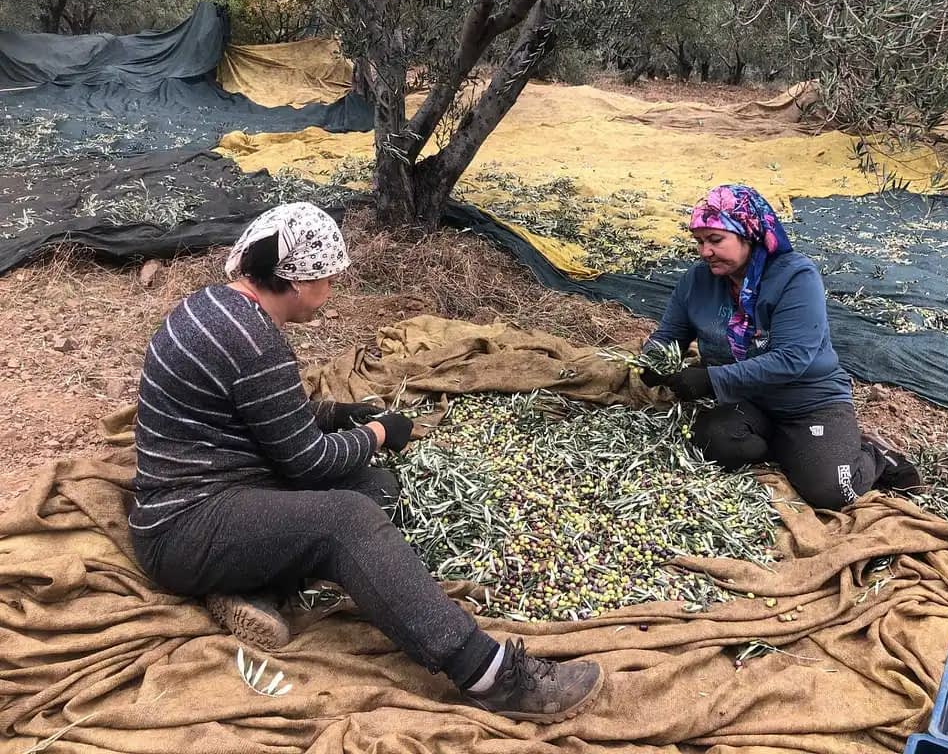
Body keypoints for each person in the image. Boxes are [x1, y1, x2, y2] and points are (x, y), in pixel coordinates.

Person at [128, 201, 604, 723]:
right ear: (294, 278)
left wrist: (337, 413)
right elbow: (307, 462)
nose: (329, 294)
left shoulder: (216, 308)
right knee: (347, 520)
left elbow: (262, 412)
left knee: (374, 489)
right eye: (326, 281)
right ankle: (489, 675)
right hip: (185, 525)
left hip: (225, 492)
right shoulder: (255, 342)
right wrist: (377, 431)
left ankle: (245, 586)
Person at [640, 185, 922, 510]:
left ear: (750, 233)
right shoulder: (697, 281)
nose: (705, 252)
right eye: (700, 242)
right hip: (746, 399)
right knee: (715, 443)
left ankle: (874, 455)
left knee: (832, 492)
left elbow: (792, 359)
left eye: (716, 240)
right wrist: (652, 360)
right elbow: (670, 333)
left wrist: (711, 379)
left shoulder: (795, 277)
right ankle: (801, 449)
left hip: (808, 401)